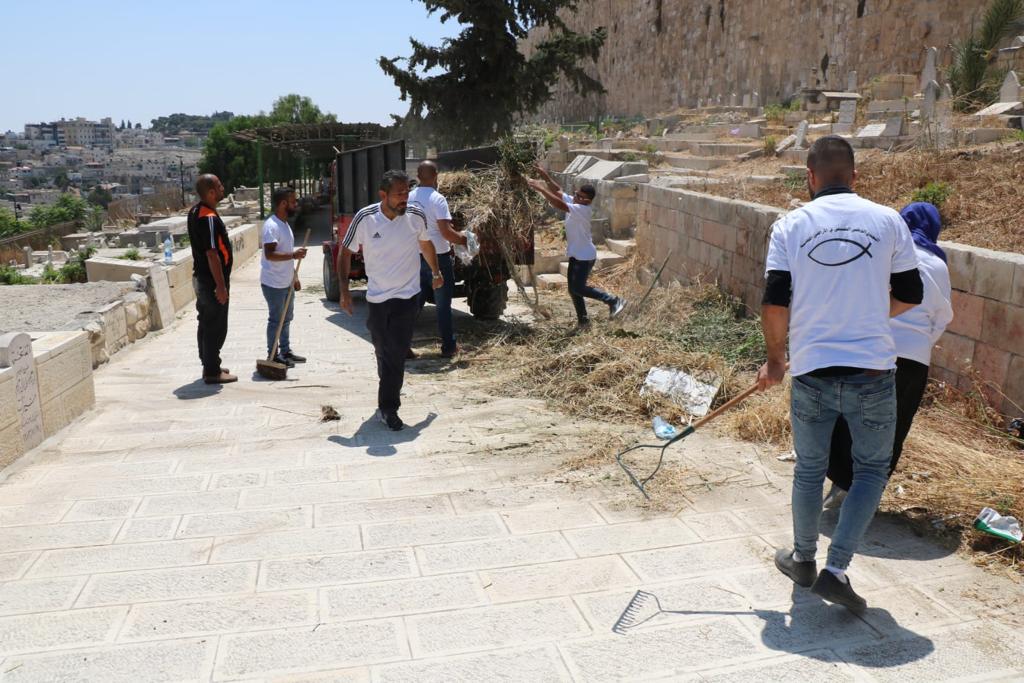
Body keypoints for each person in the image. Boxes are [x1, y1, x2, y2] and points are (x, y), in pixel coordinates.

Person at [757, 136, 923, 613]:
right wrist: (866, 315)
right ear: (854, 176)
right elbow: (911, 293)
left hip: (812, 372)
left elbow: (774, 301)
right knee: (870, 471)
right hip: (873, 372)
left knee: (810, 470)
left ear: (809, 178)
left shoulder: (790, 226)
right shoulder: (888, 220)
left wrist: (775, 359)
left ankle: (803, 559)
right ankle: (837, 569)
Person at [824, 202, 953, 507]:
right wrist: (919, 346)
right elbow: (942, 317)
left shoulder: (884, 254)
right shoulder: (939, 266)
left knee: (849, 416)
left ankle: (841, 483)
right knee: (893, 426)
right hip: (913, 361)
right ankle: (865, 493)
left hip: (870, 350)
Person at [338, 170, 444, 431]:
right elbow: (345, 253)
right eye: (399, 194)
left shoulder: (415, 215)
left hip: (407, 297)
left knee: (395, 353)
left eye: (407, 193)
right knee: (382, 351)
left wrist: (436, 271)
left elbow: (425, 244)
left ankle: (389, 408)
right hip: (377, 299)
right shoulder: (365, 218)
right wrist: (344, 291)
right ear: (383, 195)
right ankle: (388, 386)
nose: (404, 198)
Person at [528, 166, 626, 328]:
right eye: (575, 193)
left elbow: (558, 203)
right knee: (573, 290)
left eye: (579, 196)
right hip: (577, 255)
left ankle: (614, 300)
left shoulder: (582, 209)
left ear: (587, 201)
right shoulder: (576, 201)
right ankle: (583, 320)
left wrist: (541, 189)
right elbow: (558, 191)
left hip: (585, 257)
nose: (574, 197)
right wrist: (544, 175)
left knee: (578, 288)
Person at [409, 160, 466, 358]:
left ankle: (402, 345)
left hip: (413, 257)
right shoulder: (437, 199)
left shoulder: (408, 197)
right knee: (443, 306)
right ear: (436, 176)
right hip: (438, 258)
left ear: (418, 176)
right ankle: (449, 347)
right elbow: (446, 233)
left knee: (414, 304)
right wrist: (465, 240)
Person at [187, 174, 235, 384]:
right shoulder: (208, 218)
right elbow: (212, 254)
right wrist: (221, 286)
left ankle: (210, 363)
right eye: (219, 186)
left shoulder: (195, 211)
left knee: (206, 322)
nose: (223, 188)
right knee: (216, 325)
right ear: (211, 192)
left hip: (202, 278)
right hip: (211, 282)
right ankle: (212, 371)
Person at [260, 186, 308, 368]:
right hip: (273, 283)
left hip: (286, 282)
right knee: (276, 320)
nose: (296, 204)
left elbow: (285, 253)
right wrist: (294, 255)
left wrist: (294, 277)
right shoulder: (271, 226)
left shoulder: (285, 225)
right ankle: (272, 355)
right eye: (293, 201)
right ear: (283, 204)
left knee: (286, 319)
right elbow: (270, 254)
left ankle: (285, 351)